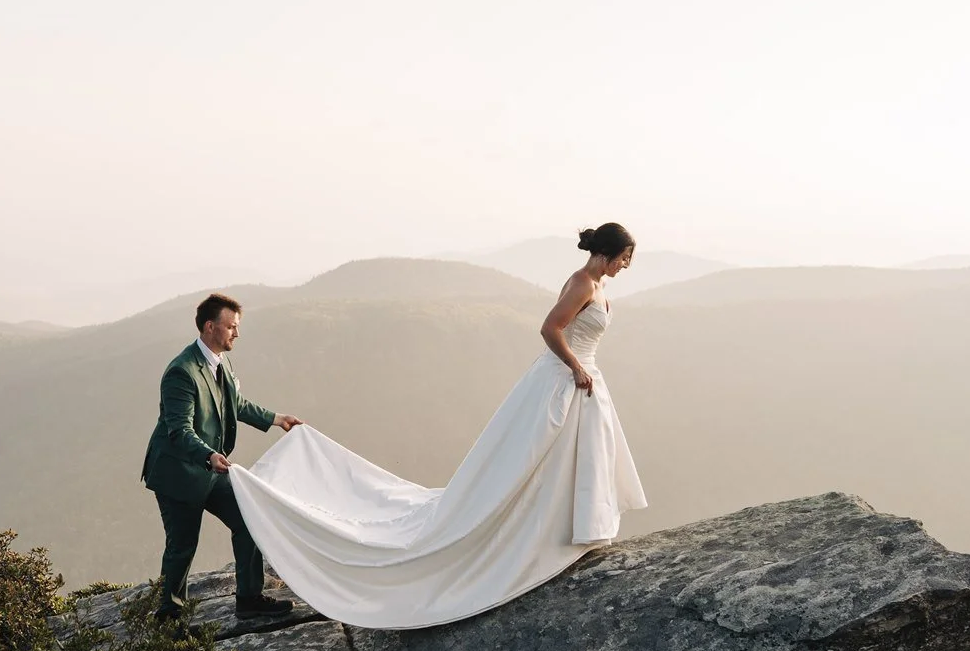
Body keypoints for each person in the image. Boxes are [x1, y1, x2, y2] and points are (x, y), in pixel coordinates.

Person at [225, 222, 648, 629]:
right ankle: (542, 534)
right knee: (538, 460)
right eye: (625, 257)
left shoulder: (601, 285)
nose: (626, 266)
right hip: (566, 378)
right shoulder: (581, 284)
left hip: (584, 378)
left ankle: (575, 528)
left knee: (575, 457)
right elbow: (550, 328)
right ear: (607, 252)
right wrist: (574, 366)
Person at [141, 292, 305, 623]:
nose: (236, 333)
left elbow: (235, 404)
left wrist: (276, 419)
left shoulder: (221, 362)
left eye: (237, 327)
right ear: (210, 326)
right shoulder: (181, 372)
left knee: (249, 518)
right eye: (231, 327)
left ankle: (249, 599)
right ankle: (170, 619)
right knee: (182, 545)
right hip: (178, 473)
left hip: (210, 467)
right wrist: (209, 454)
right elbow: (179, 430)